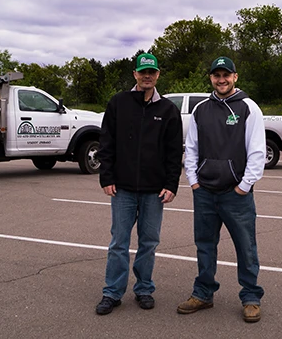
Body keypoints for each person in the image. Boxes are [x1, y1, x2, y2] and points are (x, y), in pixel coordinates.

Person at [177, 56, 266, 323]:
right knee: (205, 246)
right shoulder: (201, 109)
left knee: (246, 248)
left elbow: (257, 152)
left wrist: (243, 186)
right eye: (217, 75)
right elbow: (191, 148)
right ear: (211, 78)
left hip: (235, 195)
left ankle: (251, 297)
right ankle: (203, 293)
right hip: (204, 192)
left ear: (235, 77)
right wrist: (193, 182)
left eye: (226, 75)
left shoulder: (249, 108)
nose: (221, 79)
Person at [95, 53, 183, 315]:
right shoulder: (118, 103)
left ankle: (144, 288)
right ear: (135, 74)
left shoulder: (168, 110)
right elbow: (106, 143)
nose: (147, 76)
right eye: (143, 72)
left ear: (157, 75)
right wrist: (106, 176)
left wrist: (171, 184)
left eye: (151, 72)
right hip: (122, 188)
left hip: (154, 191)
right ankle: (112, 292)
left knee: (149, 242)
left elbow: (173, 152)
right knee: (119, 243)